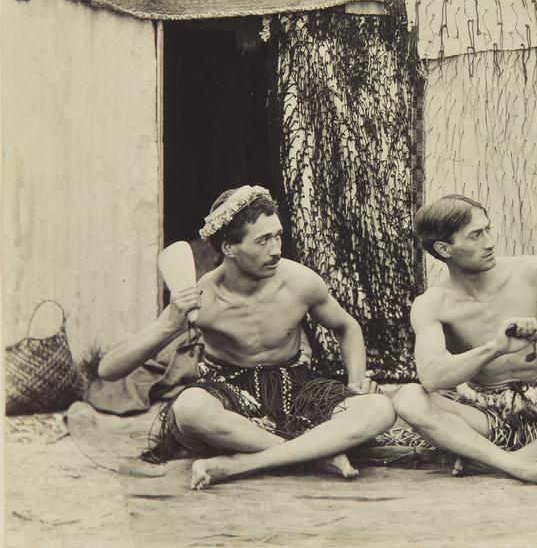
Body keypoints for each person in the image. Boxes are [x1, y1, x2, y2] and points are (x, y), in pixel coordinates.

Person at [98, 185, 396, 489]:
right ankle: (314, 452)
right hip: (229, 396)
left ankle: (245, 463)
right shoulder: (205, 297)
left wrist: (356, 385)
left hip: (296, 390)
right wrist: (168, 326)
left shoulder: (300, 282)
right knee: (189, 408)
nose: (276, 249)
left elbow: (348, 327)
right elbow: (109, 370)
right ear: (230, 247)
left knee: (379, 409)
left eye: (278, 235)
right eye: (263, 240)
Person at [392, 195, 537, 491]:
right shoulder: (432, 304)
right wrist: (495, 347)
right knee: (408, 398)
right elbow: (430, 377)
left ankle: (497, 460)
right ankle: (517, 466)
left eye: (488, 230)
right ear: (444, 249)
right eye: (476, 235)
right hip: (480, 413)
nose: (490, 242)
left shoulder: (532, 272)